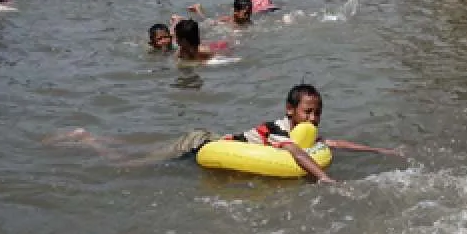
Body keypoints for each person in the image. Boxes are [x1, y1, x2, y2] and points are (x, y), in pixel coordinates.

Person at [46, 84, 399, 181]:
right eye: (308, 112)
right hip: (201, 144)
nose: (314, 118)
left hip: (208, 138)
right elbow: (293, 153)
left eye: (318, 113)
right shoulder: (281, 130)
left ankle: (94, 137)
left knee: (146, 148)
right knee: (129, 164)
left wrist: (380, 152)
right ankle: (89, 140)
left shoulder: (302, 134)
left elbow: (333, 143)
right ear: (291, 111)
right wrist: (323, 178)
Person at [187, 0, 253, 26]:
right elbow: (211, 23)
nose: (248, 16)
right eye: (245, 13)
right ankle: (197, 8)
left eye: (249, 13)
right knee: (205, 20)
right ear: (236, 11)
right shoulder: (227, 20)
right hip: (217, 23)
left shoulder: (249, 22)